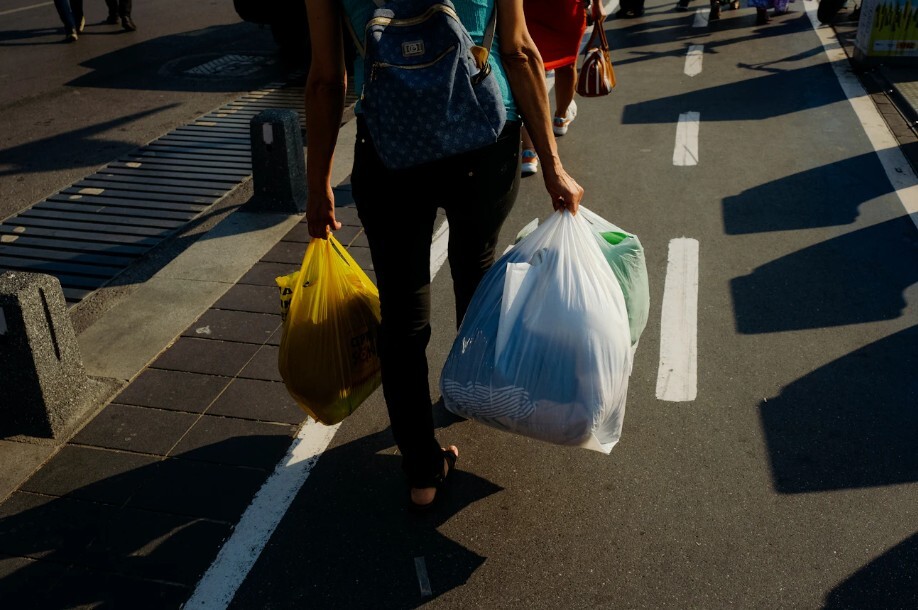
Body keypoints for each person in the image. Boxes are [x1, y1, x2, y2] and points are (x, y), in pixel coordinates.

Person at [303, 0, 584, 509]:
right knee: (475, 267)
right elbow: (519, 52)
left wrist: (318, 185)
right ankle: (475, 393)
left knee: (403, 314)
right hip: (481, 141)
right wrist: (552, 164)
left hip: (387, 148)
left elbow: (327, 79)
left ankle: (422, 472)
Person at [519, 0, 599, 176]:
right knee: (567, 64)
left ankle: (529, 151)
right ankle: (561, 117)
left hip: (529, 7)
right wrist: (597, 6)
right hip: (566, 8)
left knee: (529, 71)